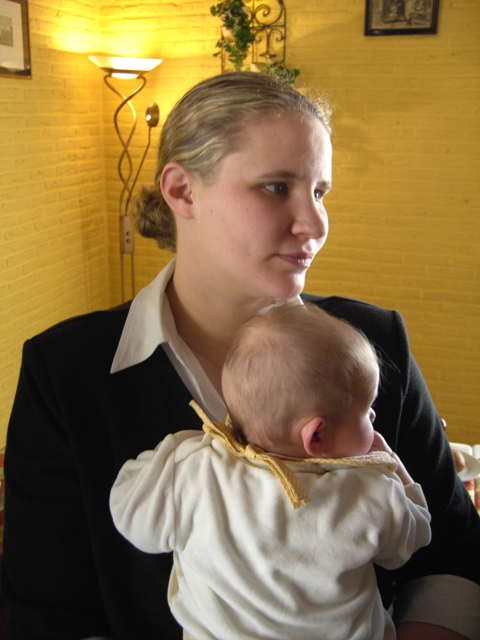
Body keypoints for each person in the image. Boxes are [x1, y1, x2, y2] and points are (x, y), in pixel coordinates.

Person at [1, 71, 479, 640]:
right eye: (276, 187)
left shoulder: (372, 344)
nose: (314, 223)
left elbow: (452, 553)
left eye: (320, 192)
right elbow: (48, 610)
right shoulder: (67, 373)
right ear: (182, 191)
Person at [109, 302, 432, 640]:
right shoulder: (367, 494)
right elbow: (414, 536)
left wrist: (172, 455)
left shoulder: (193, 468)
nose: (373, 418)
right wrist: (390, 463)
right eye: (365, 410)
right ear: (316, 435)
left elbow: (130, 514)